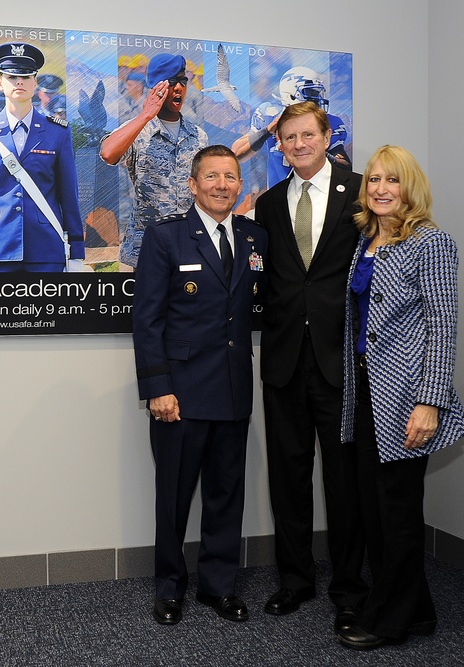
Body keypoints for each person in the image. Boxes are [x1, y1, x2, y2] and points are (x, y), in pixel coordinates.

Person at [336, 145, 464, 650]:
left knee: (397, 510)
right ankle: (416, 611)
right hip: (368, 394)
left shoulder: (431, 243)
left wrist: (430, 401)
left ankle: (389, 620)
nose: (381, 189)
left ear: (409, 187)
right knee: (375, 505)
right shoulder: (369, 238)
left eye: (392, 180)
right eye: (373, 180)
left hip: (408, 398)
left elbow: (442, 327)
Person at [133, 145, 268, 626]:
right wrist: (158, 388)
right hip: (181, 396)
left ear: (239, 185)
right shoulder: (166, 237)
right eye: (211, 176)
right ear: (193, 184)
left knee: (226, 493)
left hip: (233, 390)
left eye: (230, 177)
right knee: (173, 497)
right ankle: (170, 589)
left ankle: (219, 586)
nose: (221, 185)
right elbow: (147, 321)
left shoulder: (254, 239)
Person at [254, 101, 369, 633]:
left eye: (306, 135)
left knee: (344, 483)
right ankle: (295, 580)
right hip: (283, 362)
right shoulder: (271, 203)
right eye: (288, 138)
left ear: (326, 137)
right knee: (289, 477)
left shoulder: (361, 192)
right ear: (279, 145)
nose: (297, 145)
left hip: (340, 360)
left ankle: (349, 588)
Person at [0, 43, 85, 273]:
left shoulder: (58, 133)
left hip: (45, 251)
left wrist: (76, 251)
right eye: (12, 76)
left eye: (25, 76)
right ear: (0, 82)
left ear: (35, 83)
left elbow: (68, 195)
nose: (19, 82)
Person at [100, 53, 208, 269]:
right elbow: (108, 154)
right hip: (145, 253)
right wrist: (145, 116)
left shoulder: (198, 136)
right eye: (171, 82)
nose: (178, 88)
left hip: (189, 251)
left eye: (182, 81)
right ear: (155, 87)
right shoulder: (137, 129)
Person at [233, 66, 350, 192]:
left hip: (318, 196)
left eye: (317, 92)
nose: (317, 98)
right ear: (291, 95)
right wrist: (267, 131)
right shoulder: (269, 114)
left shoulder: (330, 123)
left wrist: (317, 154)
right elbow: (237, 153)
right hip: (278, 199)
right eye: (311, 93)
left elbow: (345, 168)